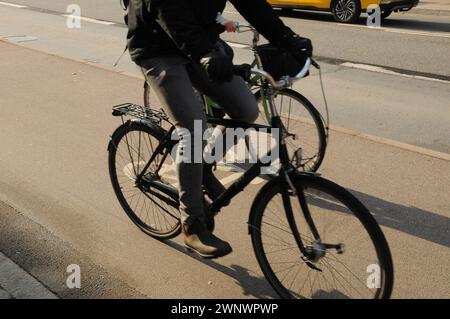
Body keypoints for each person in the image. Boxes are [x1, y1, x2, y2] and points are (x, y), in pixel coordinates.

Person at [126, 0, 313, 259]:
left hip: (200, 42)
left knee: (247, 110)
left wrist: (288, 38)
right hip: (157, 47)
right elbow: (168, 9)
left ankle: (202, 167)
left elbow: (253, 5)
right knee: (192, 128)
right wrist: (206, 54)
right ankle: (191, 224)